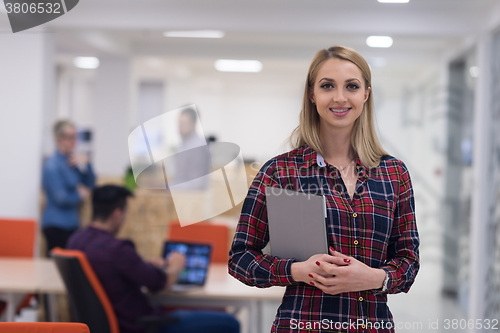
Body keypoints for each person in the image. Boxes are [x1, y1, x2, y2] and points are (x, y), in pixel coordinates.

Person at [228, 46, 420, 333]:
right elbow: (240, 258)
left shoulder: (394, 173)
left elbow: (408, 262)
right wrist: (296, 271)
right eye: (327, 86)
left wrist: (373, 278)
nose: (340, 97)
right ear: (312, 94)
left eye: (351, 86)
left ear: (365, 95)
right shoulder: (279, 173)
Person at [67, 185, 240, 333]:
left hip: (106, 324)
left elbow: (117, 270)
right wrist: (176, 265)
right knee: (231, 323)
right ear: (117, 213)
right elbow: (160, 282)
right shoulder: (117, 250)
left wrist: (142, 265)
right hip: (143, 325)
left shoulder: (76, 240)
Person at [42, 120, 95, 255]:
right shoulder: (52, 165)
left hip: (72, 223)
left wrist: (87, 164)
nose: (73, 141)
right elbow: (60, 198)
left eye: (75, 137)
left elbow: (90, 183)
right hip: (56, 225)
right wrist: (80, 195)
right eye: (69, 137)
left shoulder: (71, 161)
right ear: (58, 139)